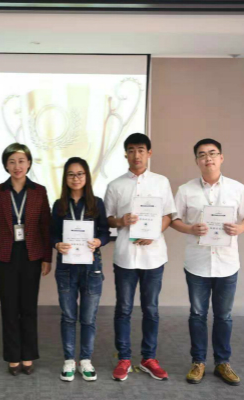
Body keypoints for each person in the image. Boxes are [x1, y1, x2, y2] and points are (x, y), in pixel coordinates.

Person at [171, 138, 244, 386]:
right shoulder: (186, 190)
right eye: (202, 154)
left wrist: (239, 228)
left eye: (212, 153)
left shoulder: (237, 188)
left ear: (221, 157)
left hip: (227, 263)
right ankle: (198, 362)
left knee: (224, 316)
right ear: (196, 160)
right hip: (197, 263)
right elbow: (174, 220)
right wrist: (190, 228)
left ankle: (222, 362)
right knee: (197, 314)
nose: (208, 158)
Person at [104, 133, 176, 382]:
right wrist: (120, 221)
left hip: (154, 256)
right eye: (132, 150)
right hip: (125, 256)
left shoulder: (161, 182)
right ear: (125, 154)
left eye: (141, 150)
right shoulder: (115, 185)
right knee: (123, 309)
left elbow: (169, 215)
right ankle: (124, 358)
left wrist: (155, 232)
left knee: (151, 309)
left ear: (149, 153)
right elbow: (107, 219)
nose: (136, 155)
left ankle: (148, 358)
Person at [0, 143, 52, 376]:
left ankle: (28, 354)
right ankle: (13, 356)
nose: (17, 166)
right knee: (9, 307)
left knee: (29, 307)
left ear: (29, 163)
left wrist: (47, 258)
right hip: (5, 256)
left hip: (32, 255)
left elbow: (45, 226)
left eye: (21, 161)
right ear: (5, 165)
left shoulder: (39, 191)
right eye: (11, 162)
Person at [51, 157, 110, 382]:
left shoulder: (97, 203)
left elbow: (105, 232)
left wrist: (99, 241)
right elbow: (52, 233)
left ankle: (85, 360)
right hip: (66, 268)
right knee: (68, 317)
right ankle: (69, 360)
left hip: (91, 267)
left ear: (87, 176)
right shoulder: (59, 205)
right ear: (65, 178)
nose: (76, 178)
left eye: (80, 174)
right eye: (71, 174)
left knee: (88, 318)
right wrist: (57, 244)